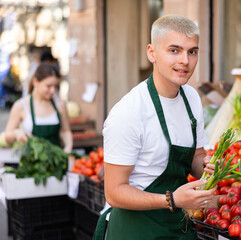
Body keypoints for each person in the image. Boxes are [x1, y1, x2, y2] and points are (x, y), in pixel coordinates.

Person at [94, 15, 216, 239]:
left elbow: (196, 157)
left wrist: (208, 165)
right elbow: (114, 192)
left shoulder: (191, 98)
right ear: (152, 53)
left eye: (192, 51)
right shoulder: (129, 113)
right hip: (135, 230)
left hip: (179, 228)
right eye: (174, 50)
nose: (185, 61)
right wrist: (172, 200)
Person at [4, 63, 73, 153]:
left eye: (56, 86)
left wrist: (68, 147)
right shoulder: (21, 106)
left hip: (56, 161)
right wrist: (17, 133)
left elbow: (65, 131)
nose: (53, 90)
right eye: (48, 86)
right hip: (31, 164)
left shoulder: (59, 104)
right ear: (36, 82)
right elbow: (7, 136)